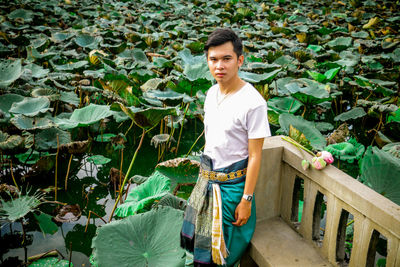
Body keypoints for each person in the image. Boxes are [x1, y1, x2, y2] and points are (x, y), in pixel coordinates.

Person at [181, 28, 271, 267]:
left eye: (226, 58)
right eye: (213, 59)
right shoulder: (210, 94)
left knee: (223, 253)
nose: (219, 65)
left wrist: (247, 200)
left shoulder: (253, 103)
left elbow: (255, 155)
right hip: (206, 181)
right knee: (200, 249)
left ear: (240, 60)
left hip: (232, 189)